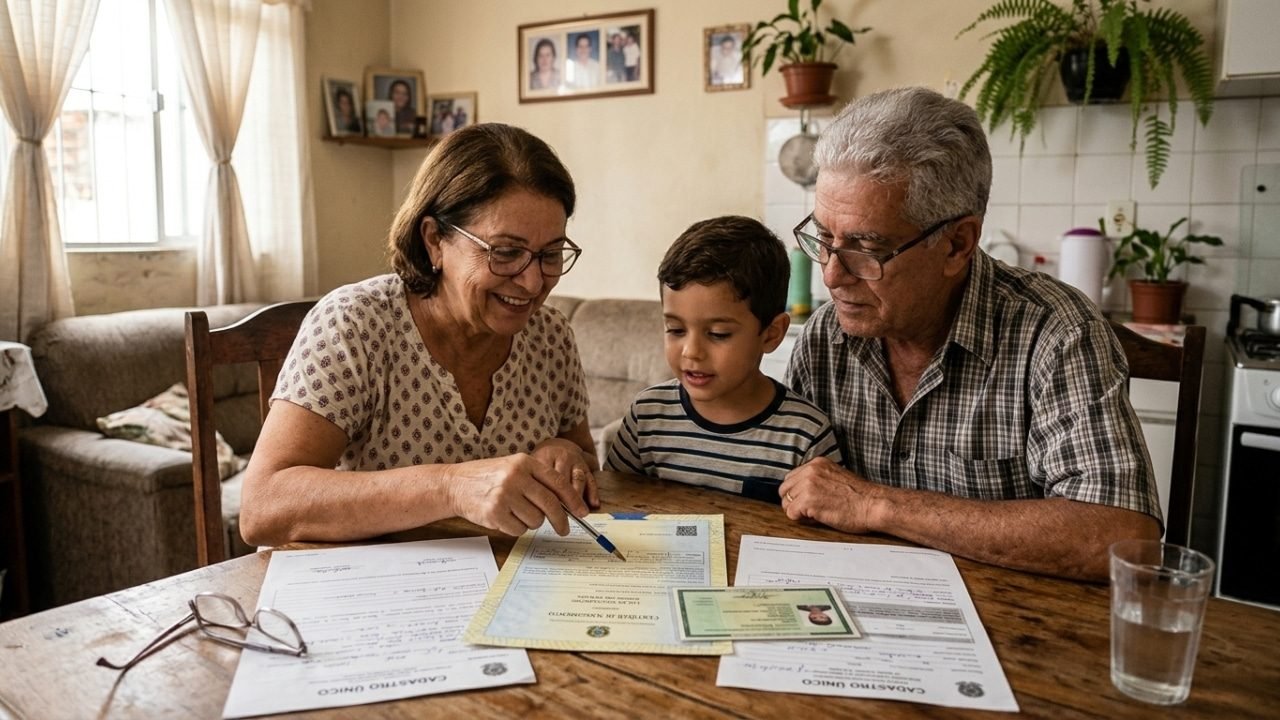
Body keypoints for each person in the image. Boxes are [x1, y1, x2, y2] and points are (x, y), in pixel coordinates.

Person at [778, 86, 1161, 581]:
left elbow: (1121, 539)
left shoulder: (1057, 333)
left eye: (866, 247)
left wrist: (876, 505)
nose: (831, 275)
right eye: (824, 239)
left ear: (957, 243)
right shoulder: (826, 339)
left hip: (1019, 633)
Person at [239, 123, 596, 546]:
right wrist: (452, 487)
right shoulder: (356, 324)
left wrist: (567, 457)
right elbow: (263, 507)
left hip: (505, 588)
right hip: (371, 592)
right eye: (505, 253)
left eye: (551, 254)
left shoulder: (550, 336)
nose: (534, 282)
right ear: (434, 241)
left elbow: (587, 463)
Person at [604, 216, 842, 504]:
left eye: (718, 334)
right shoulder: (647, 416)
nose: (691, 351)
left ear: (771, 334)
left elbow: (822, 535)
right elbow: (613, 503)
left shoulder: (805, 434)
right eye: (676, 330)